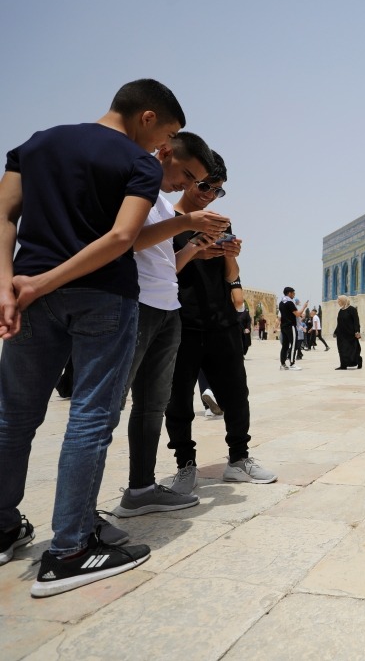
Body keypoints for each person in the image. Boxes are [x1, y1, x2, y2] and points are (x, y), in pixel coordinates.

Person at [0, 78, 186, 597]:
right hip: (102, 297)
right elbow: (123, 237)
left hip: (31, 295)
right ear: (146, 116)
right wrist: (45, 281)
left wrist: (12, 287)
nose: (162, 148)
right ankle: (70, 550)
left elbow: (3, 214)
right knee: (90, 418)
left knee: (13, 415)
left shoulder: (36, 144)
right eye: (164, 134)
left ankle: (2, 526)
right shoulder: (138, 162)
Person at [112, 131, 229, 520]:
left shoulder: (160, 202)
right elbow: (127, 241)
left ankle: (141, 488)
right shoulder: (137, 187)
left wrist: (195, 246)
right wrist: (187, 224)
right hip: (139, 307)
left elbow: (166, 264)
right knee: (105, 409)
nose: (190, 186)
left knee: (151, 406)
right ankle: (75, 517)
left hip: (166, 309)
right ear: (166, 152)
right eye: (190, 177)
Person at [164, 152, 276, 493]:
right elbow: (162, 271)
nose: (210, 195)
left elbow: (232, 278)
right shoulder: (169, 220)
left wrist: (230, 256)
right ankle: (185, 466)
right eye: (205, 186)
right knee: (179, 398)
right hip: (182, 321)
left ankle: (239, 460)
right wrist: (194, 249)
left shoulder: (219, 222)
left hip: (221, 321)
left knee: (236, 393)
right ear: (188, 178)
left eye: (218, 190)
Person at [278, 287, 308, 370]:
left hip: (283, 326)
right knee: (294, 344)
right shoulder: (290, 303)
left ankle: (283, 364)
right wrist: (304, 307)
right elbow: (298, 314)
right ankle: (292, 363)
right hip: (290, 326)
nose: (294, 295)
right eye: (293, 293)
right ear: (289, 293)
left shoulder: (281, 302)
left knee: (285, 346)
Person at [334, 294, 362, 370]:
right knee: (341, 349)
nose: (338, 302)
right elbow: (339, 323)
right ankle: (343, 365)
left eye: (339, 301)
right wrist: (336, 331)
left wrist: (357, 331)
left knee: (353, 349)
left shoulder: (352, 309)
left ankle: (358, 361)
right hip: (341, 334)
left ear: (343, 301)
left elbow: (356, 321)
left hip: (350, 334)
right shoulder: (340, 311)